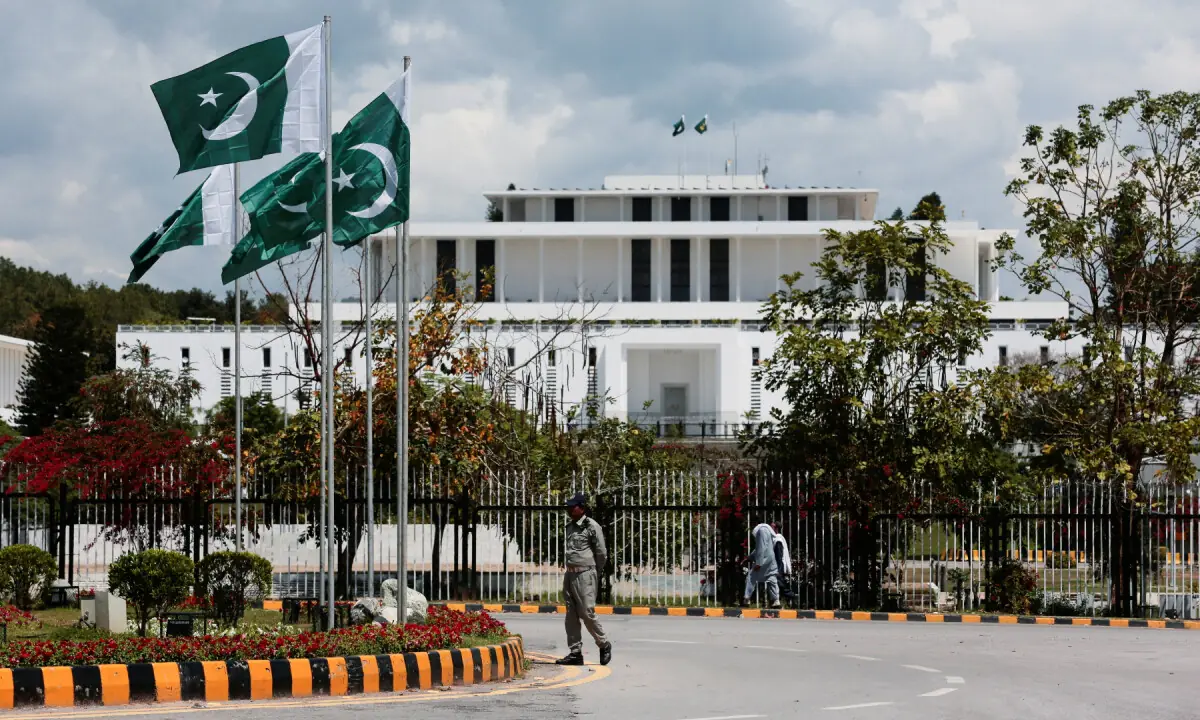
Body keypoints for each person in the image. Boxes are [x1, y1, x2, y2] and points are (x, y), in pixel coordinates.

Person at [556, 492, 613, 666]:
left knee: (587, 612)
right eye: (568, 507)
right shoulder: (570, 527)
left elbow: (601, 553)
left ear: (581, 507)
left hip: (585, 574)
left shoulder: (592, 526)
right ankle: (575, 652)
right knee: (571, 614)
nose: (569, 509)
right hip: (570, 574)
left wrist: (594, 571)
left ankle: (603, 644)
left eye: (572, 506)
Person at [742, 522, 781, 608]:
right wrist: (750, 557)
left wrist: (759, 563)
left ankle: (746, 599)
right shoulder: (767, 531)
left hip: (764, 559)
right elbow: (759, 548)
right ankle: (776, 600)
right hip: (770, 559)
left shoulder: (762, 531)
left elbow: (761, 548)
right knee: (772, 578)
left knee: (751, 576)